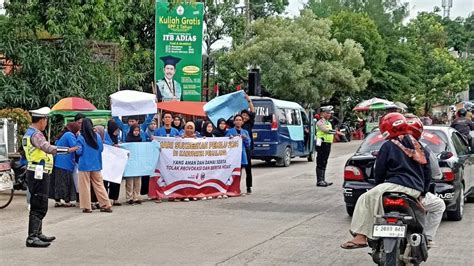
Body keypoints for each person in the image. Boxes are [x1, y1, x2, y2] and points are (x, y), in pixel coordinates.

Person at [341, 113, 431, 249]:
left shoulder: (388, 146)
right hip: (415, 189)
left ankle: (360, 236)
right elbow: (427, 172)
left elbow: (380, 171)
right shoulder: (420, 147)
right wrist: (422, 192)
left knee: (365, 198)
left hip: (395, 185)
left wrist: (378, 185)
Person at [22, 107, 78, 248]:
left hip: (36, 171)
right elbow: (47, 148)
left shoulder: (29, 133)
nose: (46, 123)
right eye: (46, 120)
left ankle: (38, 233)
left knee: (39, 201)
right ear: (42, 120)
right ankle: (32, 237)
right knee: (39, 204)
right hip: (38, 173)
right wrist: (67, 150)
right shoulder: (36, 135)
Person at [405, 115, 446, 246]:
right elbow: (434, 174)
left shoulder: (388, 145)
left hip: (387, 189)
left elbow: (378, 170)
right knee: (439, 205)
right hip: (414, 192)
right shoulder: (424, 149)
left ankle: (364, 236)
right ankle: (426, 238)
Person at [76, 118, 112, 213]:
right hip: (96, 164)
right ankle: (106, 204)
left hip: (84, 165)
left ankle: (87, 207)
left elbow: (79, 151)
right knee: (99, 185)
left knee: (85, 186)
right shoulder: (97, 136)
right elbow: (101, 149)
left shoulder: (81, 137)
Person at [49, 122, 81, 208]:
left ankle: (58, 201)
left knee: (59, 182)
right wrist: (79, 137)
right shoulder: (69, 135)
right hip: (65, 162)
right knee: (66, 182)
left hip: (58, 162)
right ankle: (67, 201)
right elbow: (75, 146)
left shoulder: (63, 135)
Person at [315, 106, 339, 187]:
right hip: (321, 144)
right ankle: (319, 180)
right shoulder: (320, 122)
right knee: (320, 161)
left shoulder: (328, 122)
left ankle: (323, 179)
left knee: (325, 161)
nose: (329, 114)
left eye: (330, 113)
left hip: (327, 144)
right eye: (327, 113)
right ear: (322, 114)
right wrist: (336, 132)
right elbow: (325, 130)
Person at [103, 120, 122, 206]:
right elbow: (104, 145)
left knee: (116, 180)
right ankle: (105, 198)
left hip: (116, 162)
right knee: (105, 180)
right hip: (107, 162)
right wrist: (112, 145)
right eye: (115, 130)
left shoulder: (118, 137)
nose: (116, 132)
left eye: (117, 130)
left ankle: (115, 198)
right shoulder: (105, 136)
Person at [124, 125, 144, 205]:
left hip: (138, 162)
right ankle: (129, 198)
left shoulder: (140, 139)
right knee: (130, 181)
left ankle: (136, 197)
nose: (136, 132)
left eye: (138, 130)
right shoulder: (128, 139)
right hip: (130, 162)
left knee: (138, 180)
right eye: (135, 130)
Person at [241, 94, 255, 194]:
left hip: (247, 148)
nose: (245, 117)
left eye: (246, 115)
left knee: (248, 168)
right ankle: (235, 187)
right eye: (243, 116)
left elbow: (253, 112)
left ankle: (248, 187)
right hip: (237, 149)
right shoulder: (236, 125)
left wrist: (249, 101)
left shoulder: (249, 124)